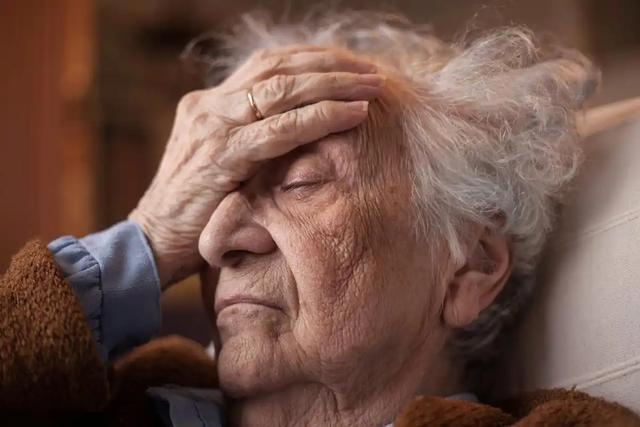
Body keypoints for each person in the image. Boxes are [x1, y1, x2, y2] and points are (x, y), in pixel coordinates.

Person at [1, 11, 639, 427]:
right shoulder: (108, 402)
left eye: (301, 183)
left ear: (468, 265)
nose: (216, 241)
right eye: (217, 194)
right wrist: (149, 234)